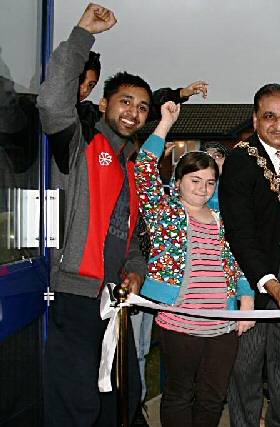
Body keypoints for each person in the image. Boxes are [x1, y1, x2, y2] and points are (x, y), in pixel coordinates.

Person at [38, 4, 148, 425]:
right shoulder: (80, 144)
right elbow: (51, 102)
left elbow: (133, 238)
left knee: (122, 398)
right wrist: (83, 33)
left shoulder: (131, 164)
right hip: (75, 294)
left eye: (141, 107)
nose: (132, 112)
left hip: (113, 302)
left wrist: (135, 270)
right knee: (76, 403)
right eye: (125, 101)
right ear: (104, 104)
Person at [135, 101, 254, 426]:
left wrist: (246, 299)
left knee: (213, 396)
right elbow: (143, 166)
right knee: (179, 394)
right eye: (195, 181)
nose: (203, 189)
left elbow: (237, 260)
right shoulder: (165, 211)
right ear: (179, 181)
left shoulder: (221, 216)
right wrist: (165, 123)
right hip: (180, 323)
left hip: (222, 326)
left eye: (210, 182)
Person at [219, 83, 280, 427]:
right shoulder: (240, 160)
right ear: (256, 118)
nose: (278, 125)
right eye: (269, 116)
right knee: (246, 365)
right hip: (253, 273)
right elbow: (239, 232)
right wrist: (269, 282)